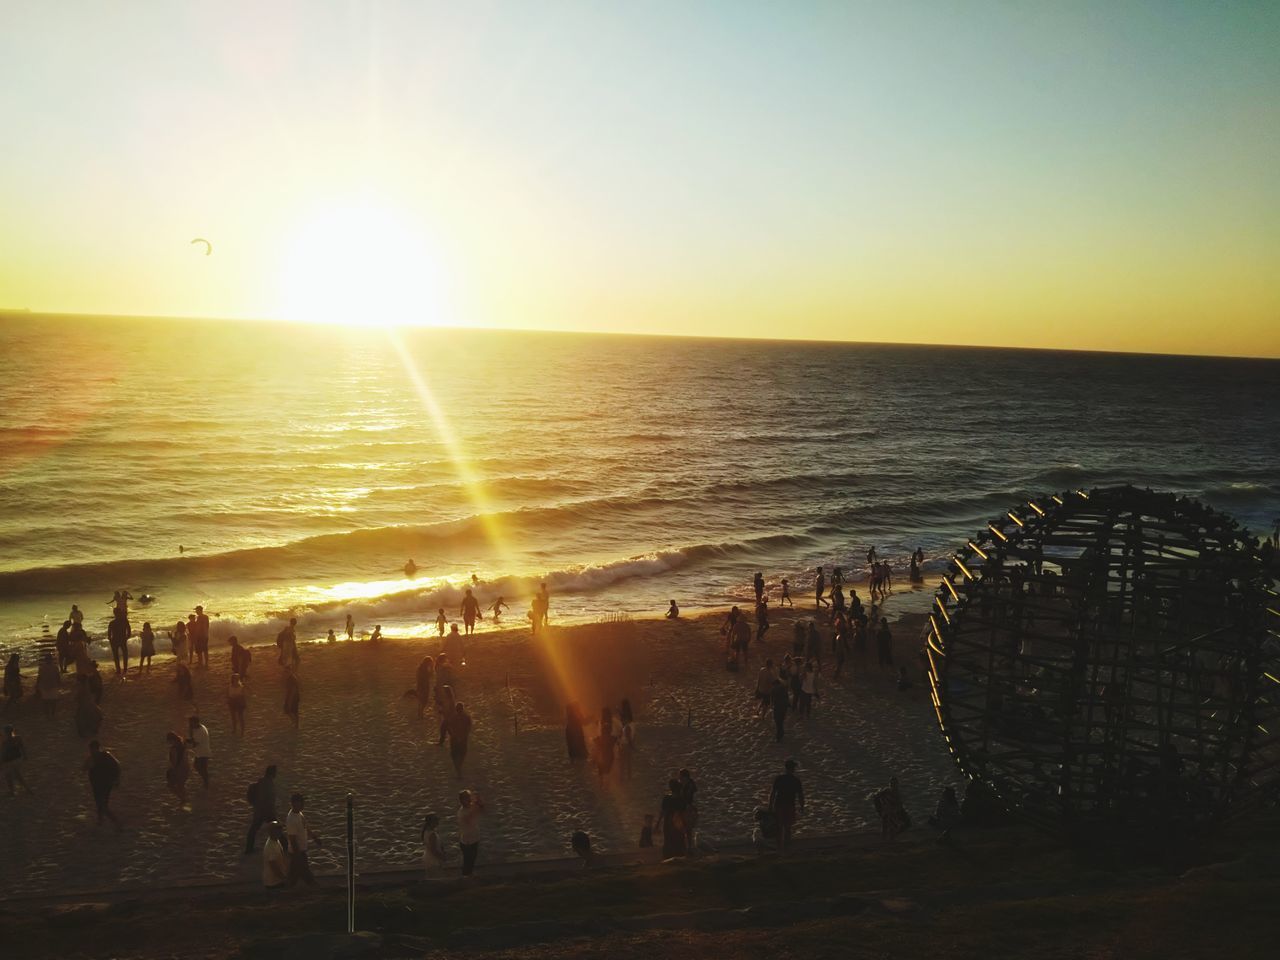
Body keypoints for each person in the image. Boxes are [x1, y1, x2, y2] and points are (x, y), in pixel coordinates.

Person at [768, 758, 805, 851]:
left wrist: (770, 805)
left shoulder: (779, 778)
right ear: (793, 769)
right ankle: (786, 846)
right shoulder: (796, 780)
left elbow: (773, 793)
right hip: (789, 805)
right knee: (787, 827)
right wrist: (802, 806)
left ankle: (779, 847)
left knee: (779, 827)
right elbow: (800, 795)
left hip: (779, 804)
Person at [285, 793, 321, 887]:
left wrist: (314, 838)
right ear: (294, 803)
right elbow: (292, 840)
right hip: (297, 852)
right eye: (301, 802)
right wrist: (298, 856)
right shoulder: (291, 819)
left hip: (300, 852)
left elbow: (306, 827)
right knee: (306, 875)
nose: (303, 804)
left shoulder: (299, 814)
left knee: (293, 877)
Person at [84, 739, 121, 828]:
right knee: (99, 804)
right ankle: (100, 822)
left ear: (98, 748)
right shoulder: (92, 758)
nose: (92, 751)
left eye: (93, 749)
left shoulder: (106, 756)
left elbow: (116, 766)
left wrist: (116, 779)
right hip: (96, 785)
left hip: (105, 784)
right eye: (91, 749)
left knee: (102, 805)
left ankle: (116, 823)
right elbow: (84, 767)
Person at [245, 765, 278, 854]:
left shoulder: (261, 781)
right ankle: (285, 847)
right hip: (266, 811)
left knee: (253, 830)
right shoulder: (269, 784)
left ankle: (249, 849)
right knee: (276, 828)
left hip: (259, 811)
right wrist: (272, 811)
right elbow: (268, 800)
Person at [656, 779, 688, 858]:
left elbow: (662, 812)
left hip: (668, 823)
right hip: (678, 824)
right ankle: (679, 857)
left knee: (668, 841)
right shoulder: (681, 800)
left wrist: (658, 823)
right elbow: (684, 814)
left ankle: (668, 857)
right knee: (679, 841)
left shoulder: (667, 799)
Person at [457, 790, 484, 876]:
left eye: (469, 798)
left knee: (471, 863)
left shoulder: (470, 807)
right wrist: (475, 806)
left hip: (474, 839)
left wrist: (479, 803)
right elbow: (469, 818)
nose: (469, 800)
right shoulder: (461, 812)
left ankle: (469, 877)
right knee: (467, 864)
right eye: (467, 798)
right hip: (467, 842)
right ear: (461, 800)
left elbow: (482, 809)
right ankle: (465, 880)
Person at [2, 725, 32, 796]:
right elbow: (22, 748)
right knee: (16, 775)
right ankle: (26, 790)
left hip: (9, 761)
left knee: (11, 776)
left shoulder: (5, 742)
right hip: (18, 759)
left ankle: (16, 791)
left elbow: (3, 754)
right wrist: (25, 756)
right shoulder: (18, 738)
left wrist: (1, 762)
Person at [262, 821, 289, 889]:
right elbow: (273, 865)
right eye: (278, 830)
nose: (280, 831)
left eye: (280, 829)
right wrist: (283, 877)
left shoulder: (276, 841)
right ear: (272, 832)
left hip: (276, 880)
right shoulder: (271, 847)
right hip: (273, 883)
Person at [592, 709, 616, 786]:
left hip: (601, 757)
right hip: (609, 757)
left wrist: (594, 758)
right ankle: (606, 785)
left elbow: (596, 748)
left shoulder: (598, 739)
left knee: (601, 773)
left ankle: (602, 784)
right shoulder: (612, 738)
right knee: (607, 772)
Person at [165, 731, 190, 804]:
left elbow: (175, 762)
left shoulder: (174, 749)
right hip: (186, 769)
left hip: (179, 770)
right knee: (181, 786)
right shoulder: (183, 745)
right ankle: (184, 799)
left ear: (172, 740)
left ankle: (183, 799)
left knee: (171, 786)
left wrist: (172, 770)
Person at [449, 702, 473, 776]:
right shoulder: (467, 717)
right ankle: (459, 766)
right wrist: (464, 735)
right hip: (463, 738)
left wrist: (454, 735)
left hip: (454, 738)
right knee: (462, 754)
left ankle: (457, 767)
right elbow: (469, 728)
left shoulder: (453, 717)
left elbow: (450, 728)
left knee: (454, 755)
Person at [187, 715, 211, 788]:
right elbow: (192, 739)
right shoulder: (197, 728)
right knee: (198, 767)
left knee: (201, 767)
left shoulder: (201, 731)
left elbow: (195, 743)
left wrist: (186, 746)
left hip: (203, 752)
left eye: (191, 723)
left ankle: (206, 781)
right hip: (200, 752)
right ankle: (206, 780)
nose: (190, 725)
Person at [679, 768, 699, 851]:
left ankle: (689, 846)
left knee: (688, 828)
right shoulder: (689, 784)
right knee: (687, 829)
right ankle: (688, 846)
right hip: (687, 808)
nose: (679, 778)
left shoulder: (689, 785)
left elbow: (687, 797)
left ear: (684, 776)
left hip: (687, 809)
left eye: (680, 776)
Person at [107, 612, 130, 676]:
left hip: (115, 640)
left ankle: (119, 670)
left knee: (116, 655)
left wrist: (110, 640)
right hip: (122, 639)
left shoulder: (112, 623)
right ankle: (124, 669)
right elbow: (129, 630)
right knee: (124, 654)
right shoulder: (124, 621)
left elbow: (109, 633)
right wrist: (127, 637)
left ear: (114, 614)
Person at [415, 655, 436, 720]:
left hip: (421, 686)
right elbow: (429, 676)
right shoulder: (423, 669)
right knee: (423, 700)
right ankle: (420, 714)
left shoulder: (421, 667)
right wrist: (432, 669)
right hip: (423, 686)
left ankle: (420, 714)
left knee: (422, 700)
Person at [770, 677, 789, 742]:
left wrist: (772, 705)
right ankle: (781, 732)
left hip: (777, 707)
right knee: (781, 720)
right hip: (783, 707)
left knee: (777, 721)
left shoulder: (773, 690)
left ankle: (779, 735)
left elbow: (772, 700)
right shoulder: (784, 689)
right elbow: (787, 698)